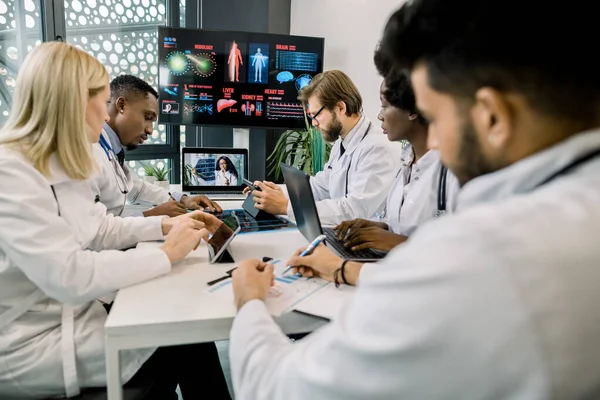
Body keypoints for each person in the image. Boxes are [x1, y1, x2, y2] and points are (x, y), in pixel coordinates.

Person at [228, 0, 600, 398]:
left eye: (435, 117)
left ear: (491, 116)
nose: (434, 142)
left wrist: (249, 303)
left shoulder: (491, 252)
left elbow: (275, 390)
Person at [0, 42, 231, 400]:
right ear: (73, 100)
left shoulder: (57, 163)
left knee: (184, 329)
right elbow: (69, 276)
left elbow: (101, 227)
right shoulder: (10, 173)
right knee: (184, 338)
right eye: (101, 101)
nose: (106, 116)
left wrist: (165, 226)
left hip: (67, 315)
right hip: (27, 342)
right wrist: (167, 253)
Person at [333, 47, 460, 252]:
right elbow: (409, 227)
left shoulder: (453, 173)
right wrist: (379, 228)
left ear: (412, 110)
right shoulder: (408, 161)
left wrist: (398, 243)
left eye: (385, 106)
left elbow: (461, 252)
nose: (380, 116)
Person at [249, 70, 399, 225]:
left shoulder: (377, 148)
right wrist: (276, 192)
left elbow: (355, 210)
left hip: (366, 241)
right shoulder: (342, 143)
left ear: (341, 108)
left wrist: (286, 207)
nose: (314, 123)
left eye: (316, 115)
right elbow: (319, 187)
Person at [91, 74, 221, 217]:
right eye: (147, 118)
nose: (150, 130)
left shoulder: (112, 150)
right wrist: (150, 215)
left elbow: (136, 189)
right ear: (121, 105)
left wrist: (184, 199)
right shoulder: (90, 150)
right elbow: (93, 227)